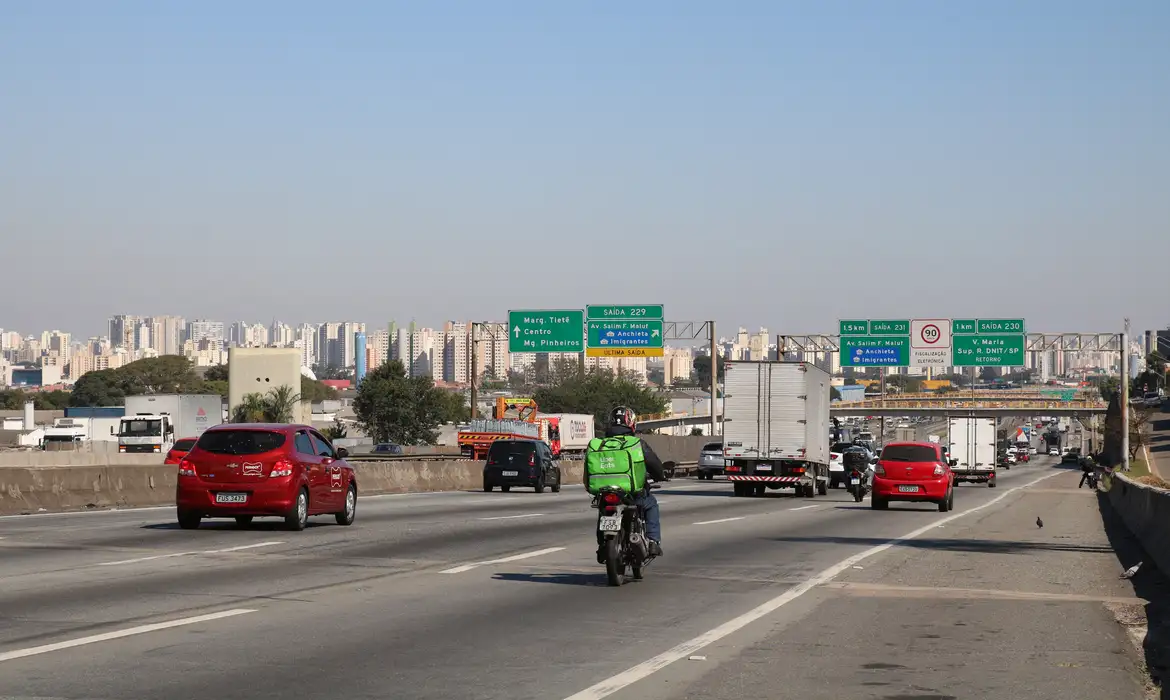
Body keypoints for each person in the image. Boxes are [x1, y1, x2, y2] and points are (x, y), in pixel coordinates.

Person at [600, 406, 667, 560]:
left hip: (606, 491)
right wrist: (660, 475)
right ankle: (652, 541)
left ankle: (602, 544)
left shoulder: (600, 444)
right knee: (651, 504)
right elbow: (653, 463)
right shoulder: (636, 443)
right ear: (631, 423)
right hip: (632, 493)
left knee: (603, 510)